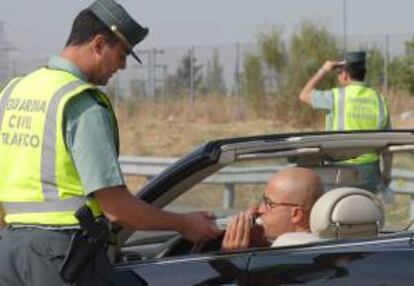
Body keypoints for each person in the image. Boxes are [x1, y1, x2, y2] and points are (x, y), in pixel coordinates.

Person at [0, 0, 221, 285]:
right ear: (99, 43)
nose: (123, 66)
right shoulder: (80, 103)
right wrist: (185, 224)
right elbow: (117, 209)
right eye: (122, 53)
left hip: (10, 254)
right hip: (63, 258)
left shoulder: (12, 93)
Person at [298, 51, 391, 192]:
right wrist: (387, 175)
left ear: (345, 75)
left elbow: (304, 94)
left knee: (336, 210)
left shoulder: (336, 97)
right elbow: (388, 145)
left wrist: (324, 69)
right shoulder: (379, 100)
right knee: (366, 211)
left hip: (340, 171)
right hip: (370, 172)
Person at [221, 167, 323, 251]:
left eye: (268, 203)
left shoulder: (288, 256)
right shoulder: (325, 245)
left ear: (296, 215)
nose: (259, 210)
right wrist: (259, 243)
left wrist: (232, 256)